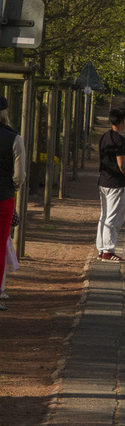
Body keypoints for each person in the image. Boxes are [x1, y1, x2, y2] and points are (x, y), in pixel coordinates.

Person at [96, 106, 125, 262]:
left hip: (103, 180)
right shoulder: (120, 140)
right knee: (114, 217)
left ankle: (101, 247)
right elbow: (121, 164)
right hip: (116, 183)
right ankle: (108, 250)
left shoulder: (104, 137)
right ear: (122, 121)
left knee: (104, 216)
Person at [0, 96, 26, 310]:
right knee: (0, 247)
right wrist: (13, 188)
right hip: (3, 196)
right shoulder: (14, 138)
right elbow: (19, 175)